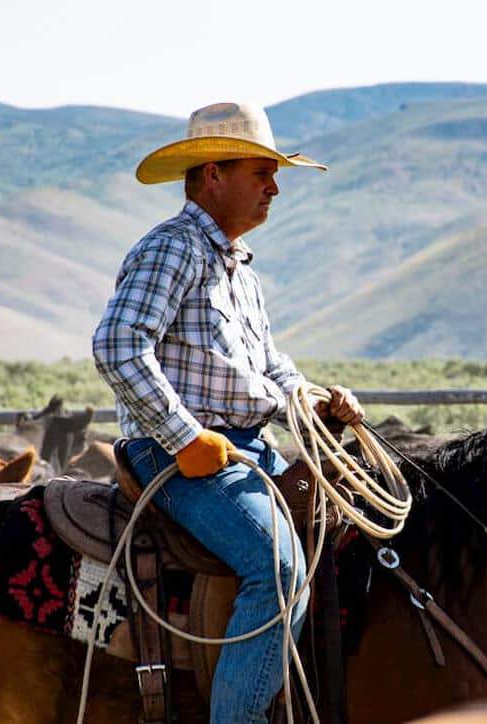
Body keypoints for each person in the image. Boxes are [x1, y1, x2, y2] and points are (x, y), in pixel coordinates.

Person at [92, 100, 364, 723]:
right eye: (259, 172)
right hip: (176, 455)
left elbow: (269, 367)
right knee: (279, 568)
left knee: (351, 527)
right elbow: (117, 344)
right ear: (212, 175)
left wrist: (317, 398)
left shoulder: (241, 270)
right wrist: (185, 437)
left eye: (275, 175)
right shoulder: (174, 249)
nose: (273, 187)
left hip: (241, 448)